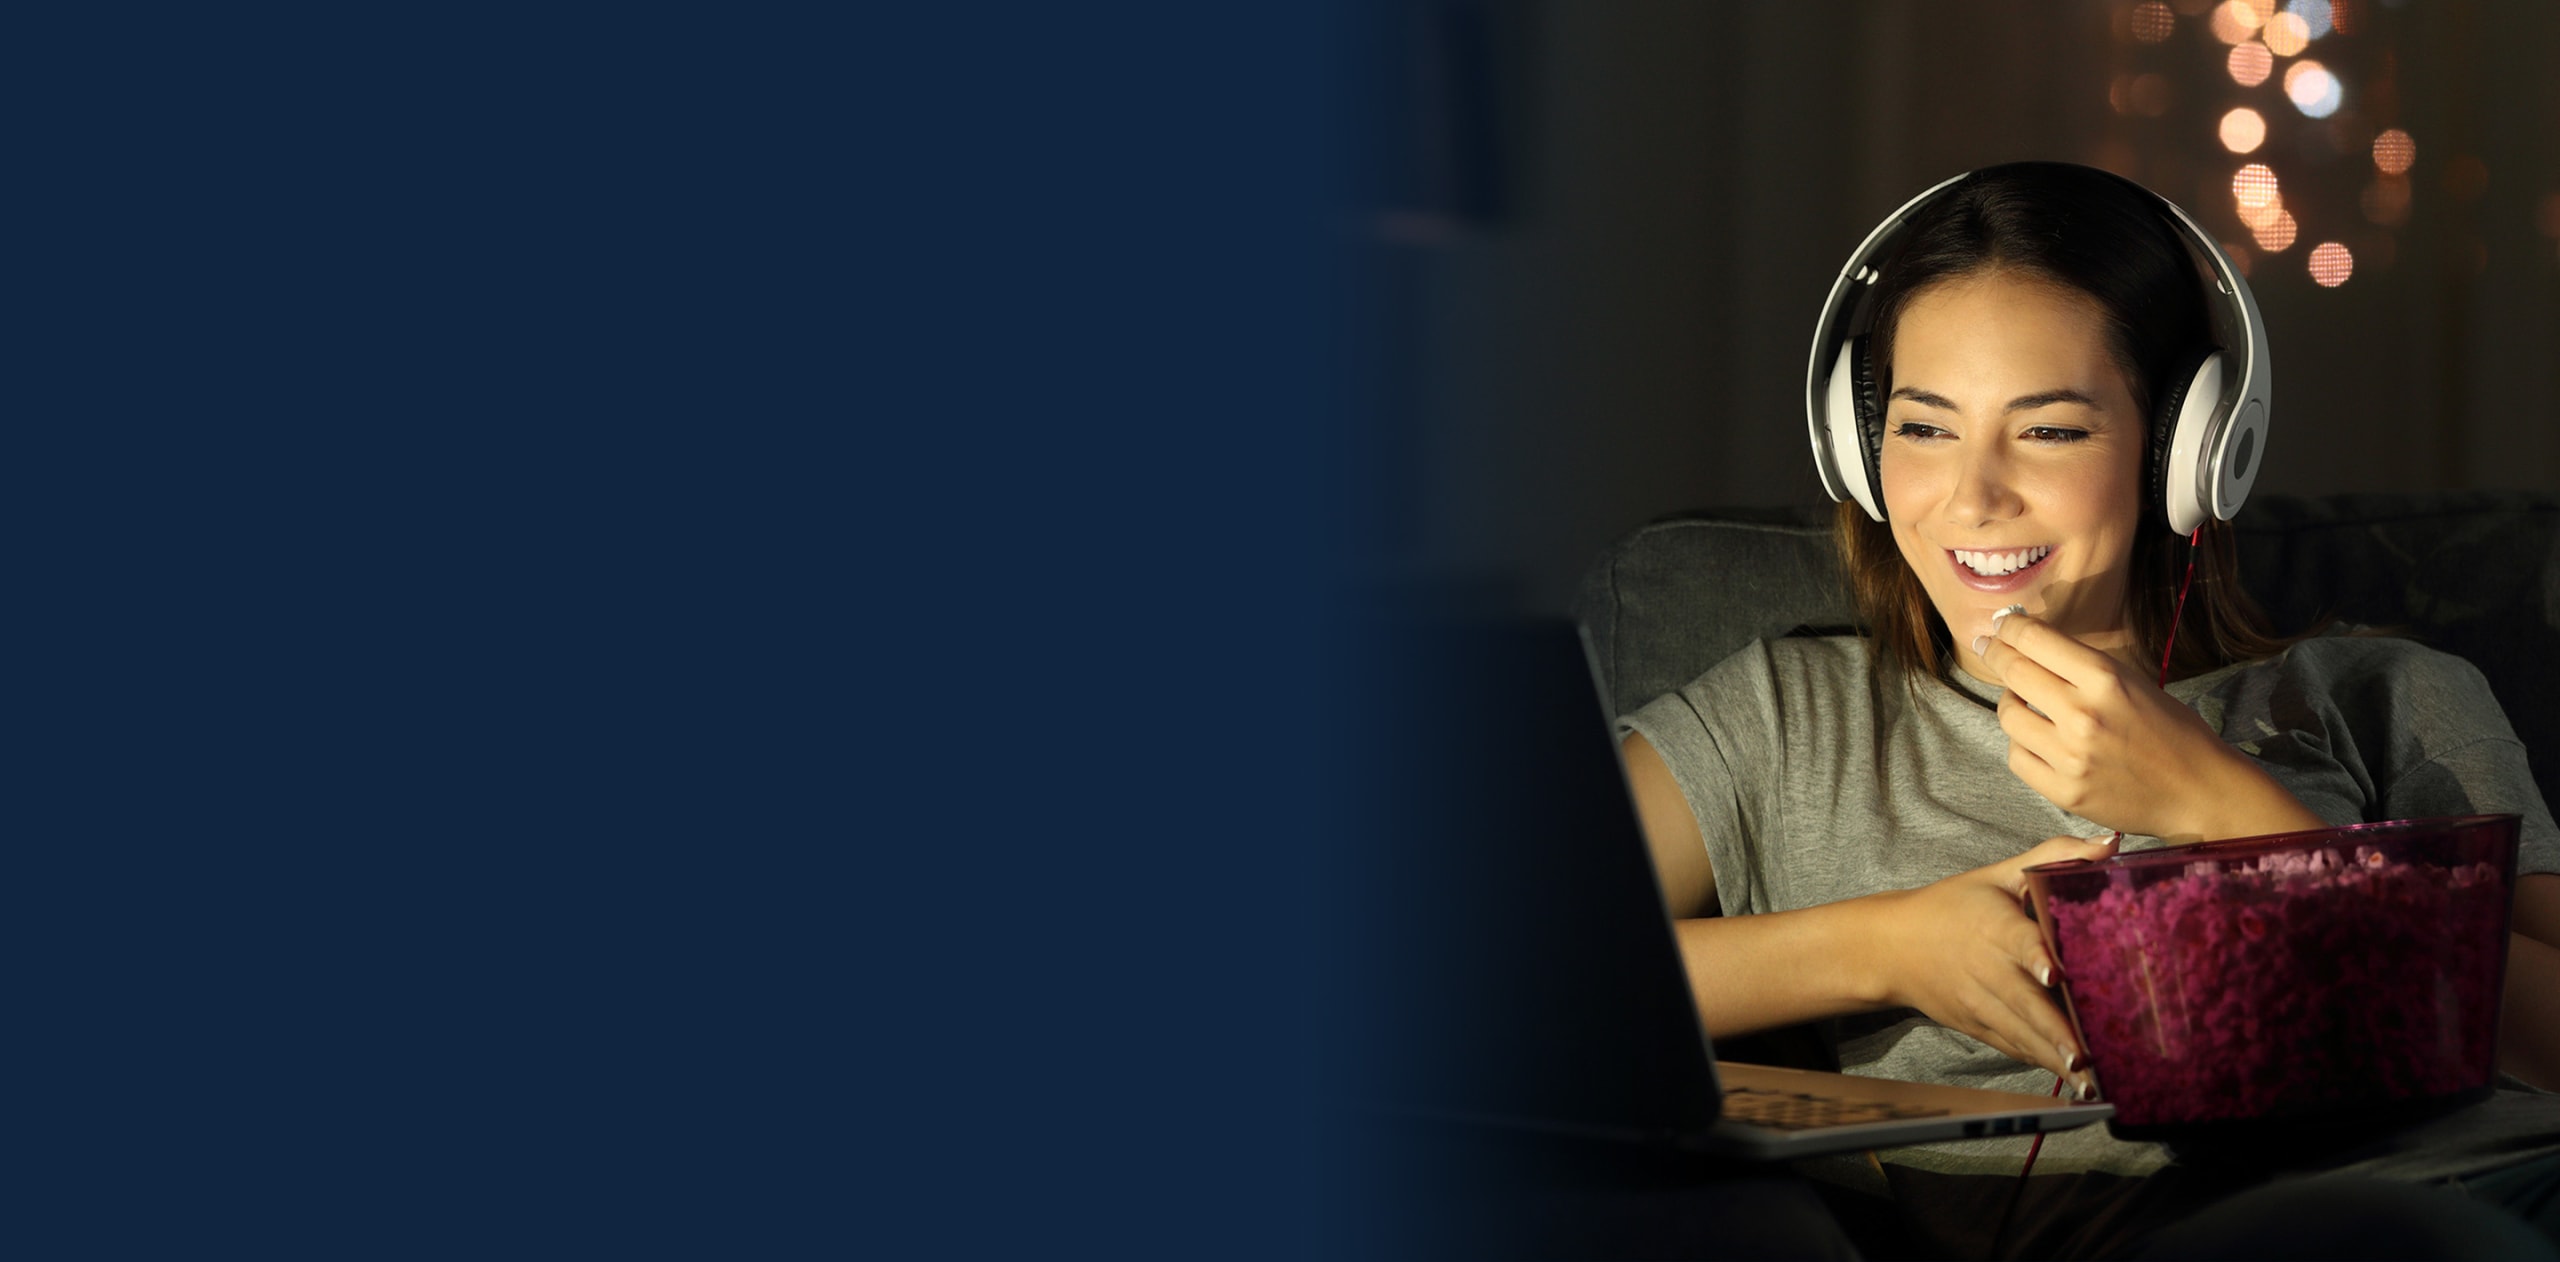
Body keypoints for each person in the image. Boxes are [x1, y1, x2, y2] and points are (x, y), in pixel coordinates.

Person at [1612, 162, 2560, 1259]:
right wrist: (1881, 945)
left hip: (2496, 1180)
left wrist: (2222, 804)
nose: (1974, 496)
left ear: (2184, 449)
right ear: (1858, 449)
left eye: (2049, 431)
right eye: (1924, 429)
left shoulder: (2387, 693)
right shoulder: (1783, 718)